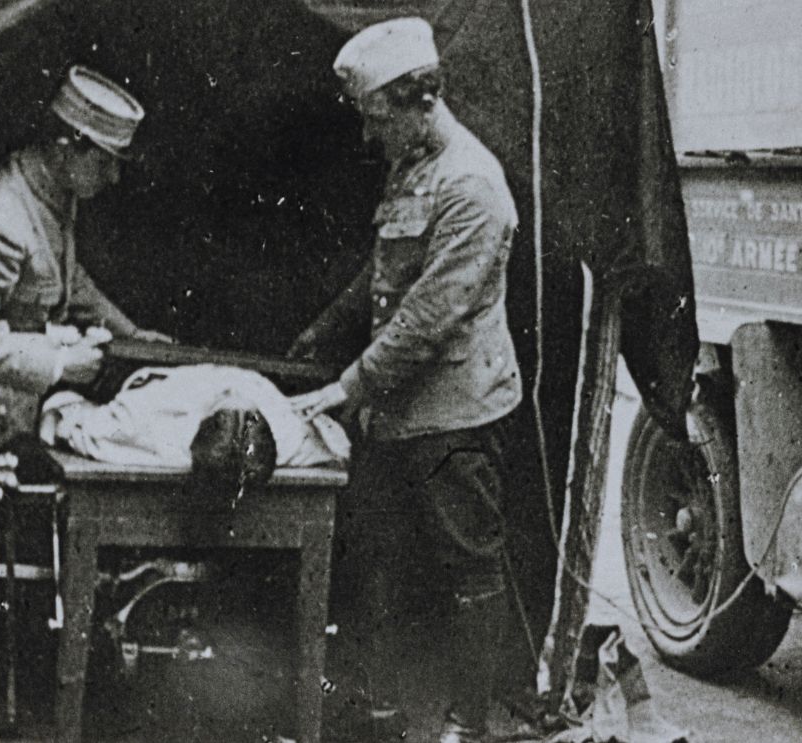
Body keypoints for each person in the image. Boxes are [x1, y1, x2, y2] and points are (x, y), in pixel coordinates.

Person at [288, 17, 521, 743]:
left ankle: (467, 724)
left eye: (374, 120)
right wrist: (327, 326)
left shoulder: (472, 186)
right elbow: (387, 269)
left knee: (467, 567)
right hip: (395, 410)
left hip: (454, 411)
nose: (367, 138)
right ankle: (381, 709)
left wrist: (348, 385)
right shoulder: (413, 165)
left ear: (419, 99)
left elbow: (428, 315)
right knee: (381, 560)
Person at [0, 64, 171, 452]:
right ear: (65, 147)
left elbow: (64, 275)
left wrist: (129, 334)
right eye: (104, 160)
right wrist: (60, 364)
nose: (113, 176)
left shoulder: (54, 194)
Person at [39, 363, 350, 477]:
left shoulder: (145, 421)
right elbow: (337, 446)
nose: (232, 389)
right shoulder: (287, 433)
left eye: (227, 401)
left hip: (144, 371)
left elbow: (63, 417)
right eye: (249, 412)